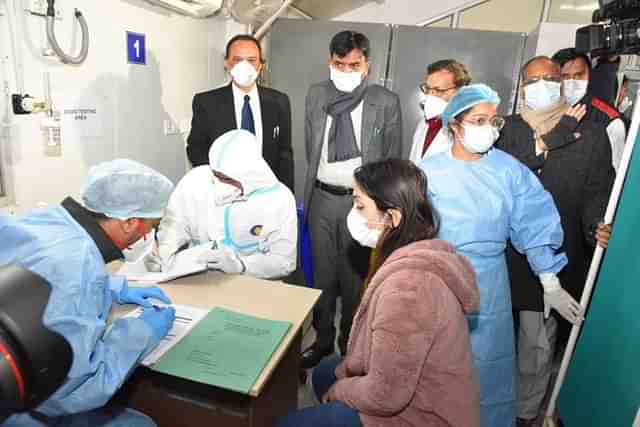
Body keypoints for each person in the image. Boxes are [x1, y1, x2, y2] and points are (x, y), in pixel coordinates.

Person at [419, 84, 581, 427]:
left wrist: (549, 282)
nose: (489, 129)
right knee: (436, 364)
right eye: (479, 120)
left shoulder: (509, 171)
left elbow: (535, 223)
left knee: (487, 367)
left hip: (489, 285)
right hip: (439, 277)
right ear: (454, 125)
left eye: (494, 121)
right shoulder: (427, 172)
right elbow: (406, 225)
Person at [277, 159, 481, 427]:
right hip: (413, 389)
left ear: (393, 217)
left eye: (360, 205)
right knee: (328, 371)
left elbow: (386, 395)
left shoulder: (408, 290)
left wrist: (340, 392)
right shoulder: (415, 248)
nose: (352, 214)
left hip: (422, 415)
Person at [0, 159, 176, 427]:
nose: (145, 238)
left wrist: (113, 288)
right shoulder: (79, 266)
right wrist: (141, 333)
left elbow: (32, 274)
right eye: (150, 227)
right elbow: (76, 389)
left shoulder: (51, 219)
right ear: (129, 222)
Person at [496, 56, 614, 427]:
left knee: (536, 343)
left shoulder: (590, 132)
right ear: (522, 86)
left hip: (554, 256)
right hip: (503, 253)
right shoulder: (505, 130)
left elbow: (597, 190)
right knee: (494, 339)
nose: (544, 84)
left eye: (551, 78)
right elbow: (504, 176)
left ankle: (524, 414)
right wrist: (552, 137)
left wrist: (597, 223)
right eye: (535, 79)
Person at [301, 30, 403, 369]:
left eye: (353, 64)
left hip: (363, 205)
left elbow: (391, 159)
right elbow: (310, 146)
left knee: (356, 279)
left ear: (366, 66)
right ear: (329, 63)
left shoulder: (385, 102)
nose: (346, 70)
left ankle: (350, 345)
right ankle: (323, 339)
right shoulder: (316, 94)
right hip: (322, 199)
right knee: (322, 277)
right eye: (339, 64)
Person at [154, 129, 297, 279]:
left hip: (254, 282)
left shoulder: (279, 200)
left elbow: (284, 262)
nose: (219, 185)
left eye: (227, 179)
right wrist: (163, 262)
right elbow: (171, 231)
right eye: (216, 175)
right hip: (200, 280)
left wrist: (241, 265)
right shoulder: (193, 183)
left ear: (249, 175)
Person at [186, 34, 294, 191]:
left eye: (251, 60)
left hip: (266, 191)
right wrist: (219, 180)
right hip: (222, 192)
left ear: (260, 65)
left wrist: (286, 196)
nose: (245, 66)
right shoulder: (206, 103)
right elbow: (195, 148)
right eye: (237, 60)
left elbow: (285, 154)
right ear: (227, 63)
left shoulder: (279, 102)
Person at [552, 48, 626, 171]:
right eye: (565, 76)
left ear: (589, 75)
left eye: (579, 75)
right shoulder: (544, 109)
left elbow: (616, 171)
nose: (573, 82)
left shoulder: (608, 119)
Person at [409, 59, 471, 164]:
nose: (430, 96)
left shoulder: (468, 132)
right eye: (427, 89)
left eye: (438, 91)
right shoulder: (423, 124)